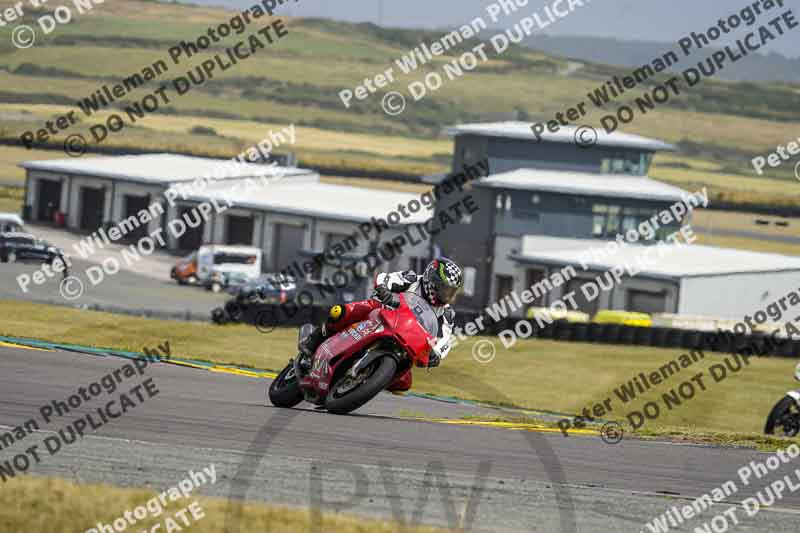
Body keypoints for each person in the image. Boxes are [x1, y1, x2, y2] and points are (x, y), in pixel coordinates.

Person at [297, 258, 463, 392]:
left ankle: (365, 381)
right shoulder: (412, 279)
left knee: (404, 383)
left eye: (451, 291)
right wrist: (385, 291)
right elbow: (386, 278)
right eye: (444, 289)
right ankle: (312, 342)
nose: (447, 295)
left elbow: (445, 339)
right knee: (339, 312)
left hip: (407, 337)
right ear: (431, 280)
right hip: (381, 313)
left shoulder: (446, 313)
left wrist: (436, 354)